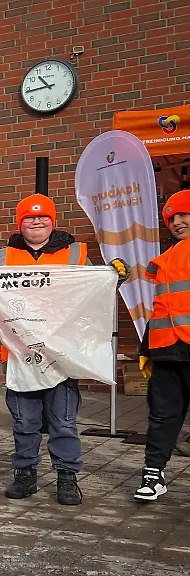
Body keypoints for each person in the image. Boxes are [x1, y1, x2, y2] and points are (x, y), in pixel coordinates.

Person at [0, 193, 128, 506]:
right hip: (19, 355)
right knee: (24, 422)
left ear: (52, 222)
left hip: (62, 356)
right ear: (20, 222)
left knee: (63, 422)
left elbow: (94, 292)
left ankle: (67, 478)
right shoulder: (1, 259)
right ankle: (25, 474)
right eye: (29, 217)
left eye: (42, 217)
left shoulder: (76, 253)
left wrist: (115, 278)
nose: (36, 222)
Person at [135, 189, 190, 502]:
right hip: (168, 349)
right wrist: (146, 349)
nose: (177, 222)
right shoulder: (166, 260)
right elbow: (161, 308)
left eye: (184, 215)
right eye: (172, 218)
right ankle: (153, 473)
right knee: (162, 415)